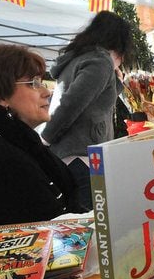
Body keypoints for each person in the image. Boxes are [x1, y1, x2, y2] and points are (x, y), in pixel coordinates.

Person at [0, 45, 80, 227]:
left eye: (41, 82)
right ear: (0, 96)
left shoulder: (19, 142)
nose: (46, 92)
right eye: (33, 83)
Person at [41, 11, 133, 211]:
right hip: (81, 155)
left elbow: (95, 100)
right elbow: (72, 103)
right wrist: (45, 139)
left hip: (71, 154)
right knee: (90, 224)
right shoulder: (100, 61)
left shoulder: (82, 58)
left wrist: (116, 82)